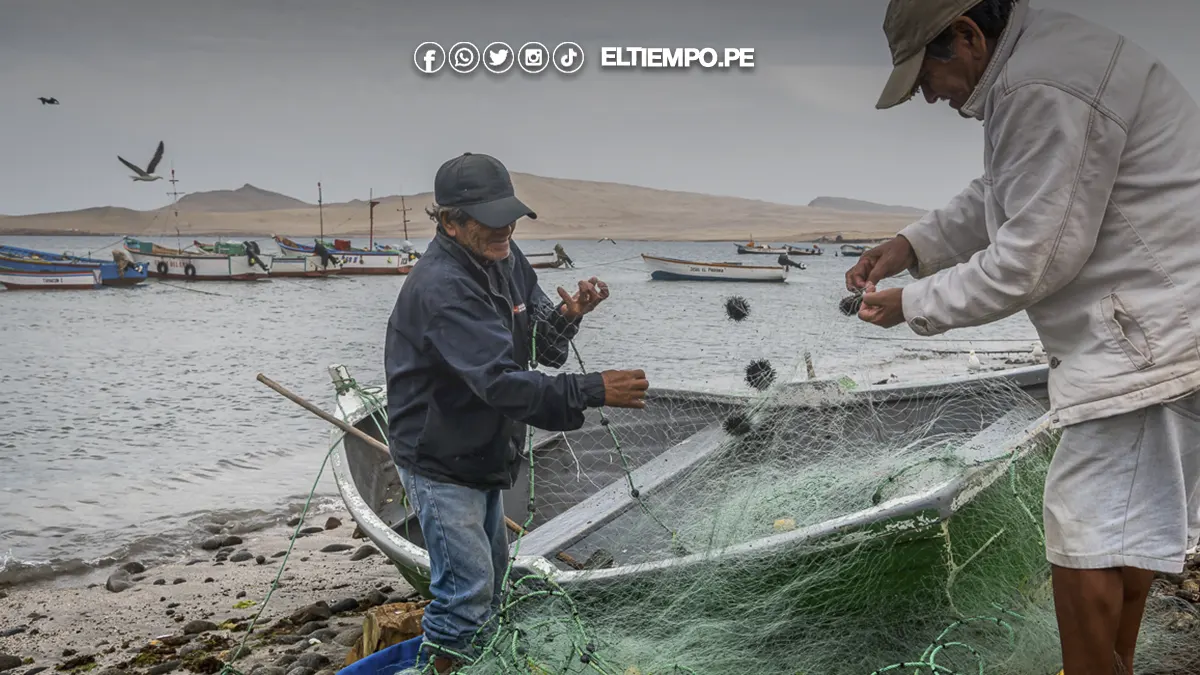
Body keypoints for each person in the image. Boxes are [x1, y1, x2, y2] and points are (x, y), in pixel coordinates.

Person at [850, 1, 1200, 673]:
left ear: (968, 36)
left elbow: (1034, 258)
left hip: (1151, 342)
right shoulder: (1045, 61)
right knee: (1121, 530)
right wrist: (912, 244)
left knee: (1085, 530)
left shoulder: (1040, 84)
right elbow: (1006, 192)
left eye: (927, 75)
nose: (928, 96)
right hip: (1163, 333)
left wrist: (913, 303)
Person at [384, 151, 650, 672]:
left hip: (484, 450)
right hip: (439, 460)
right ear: (451, 223)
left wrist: (569, 317)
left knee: (490, 587)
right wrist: (593, 390)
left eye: (510, 214)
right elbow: (502, 384)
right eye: (491, 217)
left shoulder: (504, 256)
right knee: (465, 599)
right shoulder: (443, 287)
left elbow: (537, 350)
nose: (506, 226)